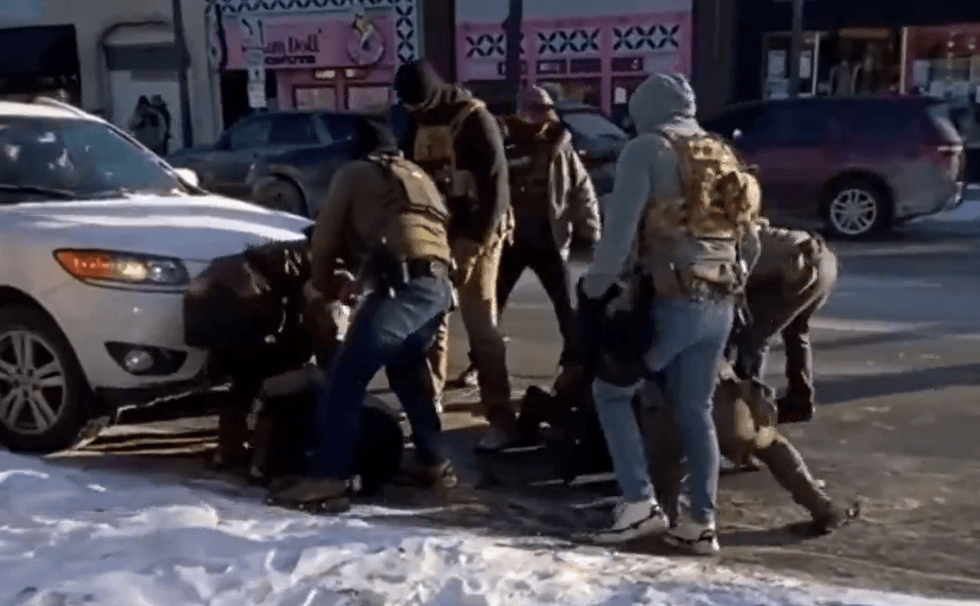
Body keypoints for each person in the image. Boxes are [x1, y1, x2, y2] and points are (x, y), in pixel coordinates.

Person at [577, 73, 761, 551]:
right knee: (695, 408)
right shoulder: (719, 153)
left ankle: (640, 504)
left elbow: (618, 237)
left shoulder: (646, 150)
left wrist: (594, 289)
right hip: (721, 300)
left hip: (673, 299)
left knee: (610, 393)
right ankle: (701, 522)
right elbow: (751, 240)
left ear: (646, 109)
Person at [270, 115, 456, 511]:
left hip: (402, 286)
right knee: (408, 372)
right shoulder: (414, 175)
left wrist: (321, 282)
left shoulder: (355, 173)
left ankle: (328, 476)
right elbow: (404, 232)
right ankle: (434, 462)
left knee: (346, 378)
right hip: (438, 285)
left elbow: (326, 235)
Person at [393, 59, 516, 451]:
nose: (417, 113)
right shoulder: (413, 119)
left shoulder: (476, 119)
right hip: (434, 230)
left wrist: (475, 242)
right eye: (411, 107)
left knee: (480, 323)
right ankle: (429, 404)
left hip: (477, 231)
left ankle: (501, 416)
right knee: (430, 320)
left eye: (421, 105)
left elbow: (496, 189)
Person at [454, 86, 601, 393]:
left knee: (566, 308)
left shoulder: (558, 145)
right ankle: (479, 363)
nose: (544, 120)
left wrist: (590, 230)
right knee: (491, 304)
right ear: (523, 111)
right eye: (537, 112)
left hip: (549, 239)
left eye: (546, 112)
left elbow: (581, 189)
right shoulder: (502, 141)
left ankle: (574, 366)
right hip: (510, 241)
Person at [642, 363, 856, 537]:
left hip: (662, 404)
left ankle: (666, 517)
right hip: (718, 399)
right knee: (771, 444)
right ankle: (823, 508)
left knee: (667, 463)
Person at [731, 218, 838, 424]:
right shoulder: (748, 226)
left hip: (798, 266)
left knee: (754, 337)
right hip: (824, 261)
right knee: (796, 331)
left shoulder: (730, 243)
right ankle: (801, 400)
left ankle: (748, 409)